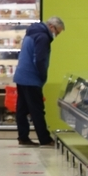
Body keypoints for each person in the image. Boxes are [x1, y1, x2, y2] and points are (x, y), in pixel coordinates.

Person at [12, 16, 65, 147]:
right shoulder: (42, 37)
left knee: (22, 110)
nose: (56, 35)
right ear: (51, 27)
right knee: (37, 110)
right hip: (31, 78)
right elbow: (40, 60)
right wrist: (42, 77)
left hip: (21, 76)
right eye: (57, 32)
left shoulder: (32, 32)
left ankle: (23, 137)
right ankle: (45, 139)